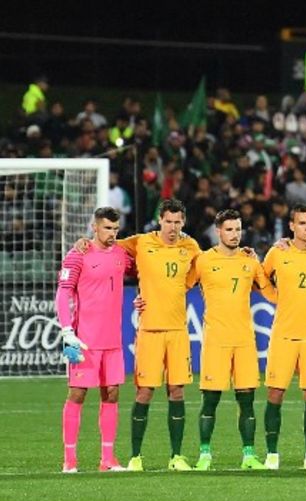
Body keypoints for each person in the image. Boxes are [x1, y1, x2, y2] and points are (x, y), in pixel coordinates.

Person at [78, 199, 202, 472]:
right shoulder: (141, 242)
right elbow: (107, 245)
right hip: (148, 331)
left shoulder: (190, 247)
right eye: (168, 221)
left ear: (184, 222)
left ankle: (176, 457)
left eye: (178, 222)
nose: (172, 227)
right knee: (144, 392)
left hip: (178, 331)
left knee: (177, 391)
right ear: (160, 220)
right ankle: (135, 457)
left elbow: (198, 271)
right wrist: (84, 242)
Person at [192, 210, 276, 470]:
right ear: (218, 231)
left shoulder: (250, 261)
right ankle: (205, 454)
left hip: (244, 341)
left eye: (238, 229)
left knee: (247, 399)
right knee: (210, 400)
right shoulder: (203, 261)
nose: (235, 234)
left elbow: (270, 293)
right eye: (229, 229)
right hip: (216, 340)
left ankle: (249, 455)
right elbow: (179, 286)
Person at [55, 207, 132, 473]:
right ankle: (70, 460)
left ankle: (108, 460)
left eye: (115, 229)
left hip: (113, 340)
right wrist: (67, 330)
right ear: (94, 227)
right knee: (77, 394)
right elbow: (63, 293)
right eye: (107, 228)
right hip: (85, 339)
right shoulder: (79, 254)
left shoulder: (123, 254)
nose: (112, 233)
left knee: (112, 394)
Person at [260, 205, 306, 470]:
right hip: (284, 335)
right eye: (302, 223)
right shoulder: (278, 253)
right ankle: (272, 455)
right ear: (292, 226)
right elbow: (260, 277)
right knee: (275, 393)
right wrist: (275, 297)